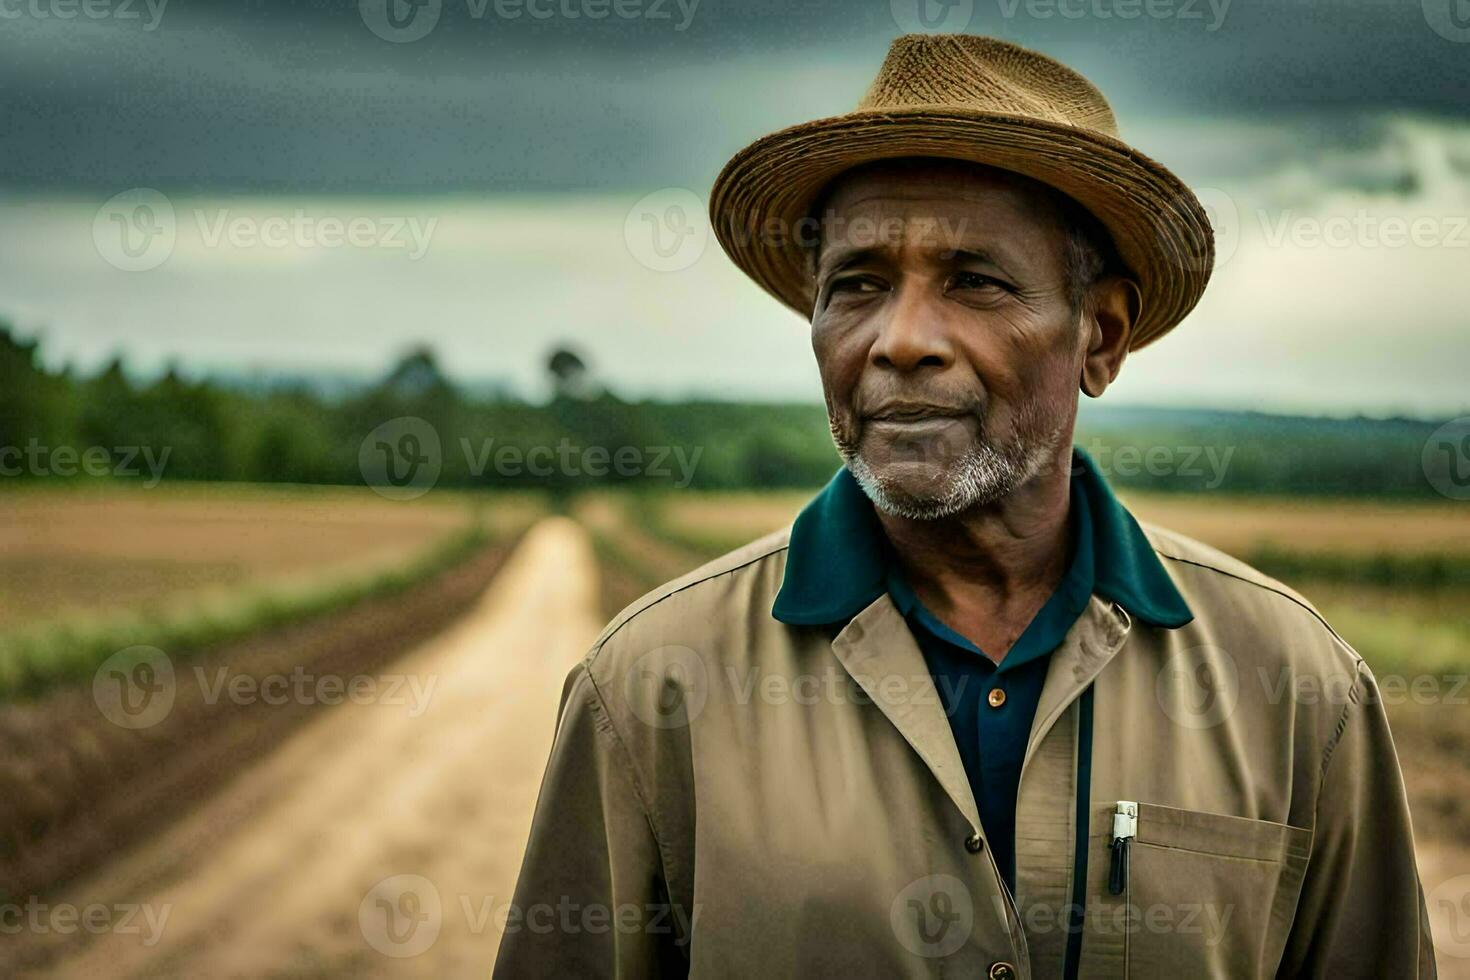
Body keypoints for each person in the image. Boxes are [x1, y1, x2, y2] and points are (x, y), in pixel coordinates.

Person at [496, 33, 1434, 978]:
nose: (901, 341)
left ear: (1100, 336)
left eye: (975, 281)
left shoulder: (1297, 684)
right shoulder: (651, 689)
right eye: (857, 285)